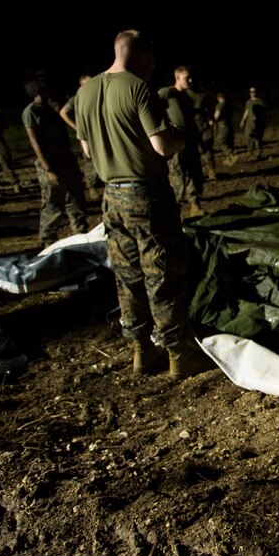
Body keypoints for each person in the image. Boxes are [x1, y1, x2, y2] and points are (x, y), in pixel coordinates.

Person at [74, 29, 213, 380]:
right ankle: (178, 354)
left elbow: (87, 150)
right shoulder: (137, 87)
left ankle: (140, 349)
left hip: (111, 197)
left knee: (126, 275)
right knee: (162, 272)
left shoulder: (84, 92)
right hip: (145, 194)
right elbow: (162, 147)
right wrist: (180, 136)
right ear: (145, 58)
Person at [21, 72, 88, 248]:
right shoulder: (30, 112)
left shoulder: (53, 107)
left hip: (66, 159)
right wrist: (47, 168)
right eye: (47, 85)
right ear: (38, 88)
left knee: (76, 198)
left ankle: (81, 234)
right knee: (53, 203)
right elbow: (35, 143)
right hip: (50, 163)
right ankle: (47, 239)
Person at [158, 65, 206, 218]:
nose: (190, 81)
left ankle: (195, 206)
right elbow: (153, 109)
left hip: (190, 141)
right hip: (176, 143)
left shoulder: (186, 96)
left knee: (195, 174)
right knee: (177, 178)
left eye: (190, 77)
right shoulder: (167, 93)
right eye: (187, 78)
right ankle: (174, 215)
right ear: (177, 77)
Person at [59, 72, 102, 198]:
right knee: (89, 161)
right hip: (87, 136)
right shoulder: (77, 98)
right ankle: (91, 187)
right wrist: (78, 128)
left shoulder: (96, 96)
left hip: (98, 133)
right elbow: (63, 112)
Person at [240, 86, 266, 160]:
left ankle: (258, 153)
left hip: (258, 122)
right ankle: (250, 152)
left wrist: (263, 123)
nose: (252, 93)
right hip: (249, 122)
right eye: (251, 92)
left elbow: (263, 114)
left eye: (254, 91)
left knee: (258, 138)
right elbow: (247, 111)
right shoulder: (248, 102)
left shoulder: (260, 102)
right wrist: (243, 120)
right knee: (248, 136)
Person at [213, 91, 234, 157]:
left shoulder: (219, 105)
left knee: (220, 142)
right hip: (230, 125)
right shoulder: (229, 105)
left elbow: (216, 116)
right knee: (229, 141)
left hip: (223, 126)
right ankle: (231, 160)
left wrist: (212, 120)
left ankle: (230, 153)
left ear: (218, 98)